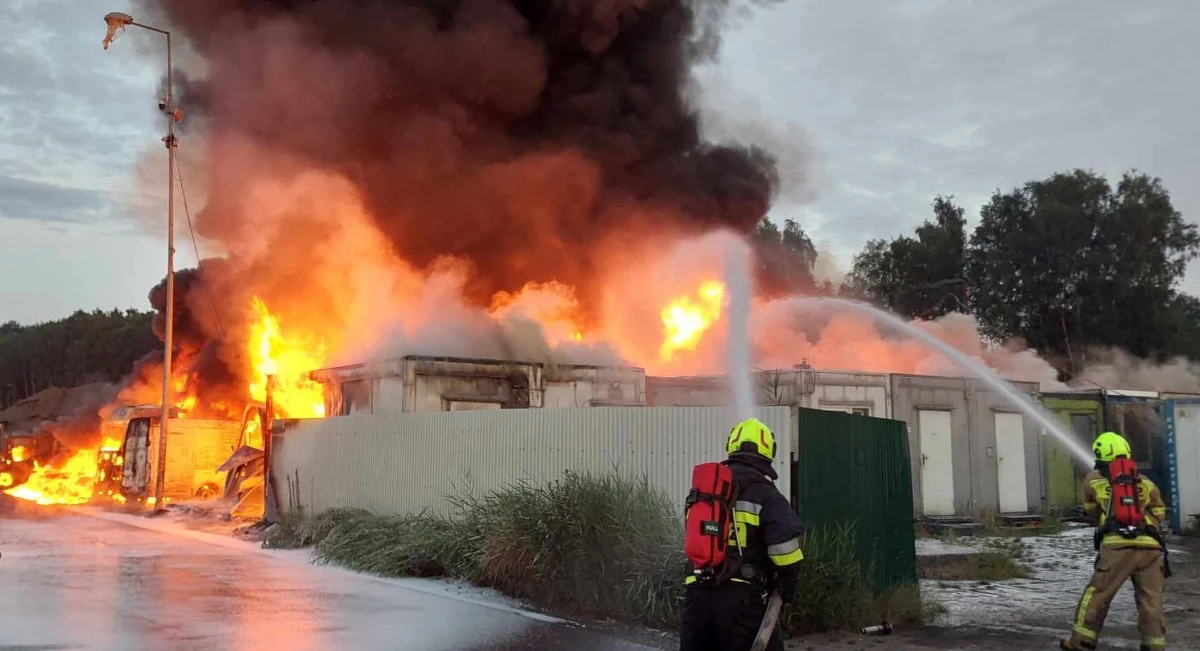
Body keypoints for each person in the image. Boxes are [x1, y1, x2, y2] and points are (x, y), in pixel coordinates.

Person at [679, 418, 806, 651]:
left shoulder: (706, 492)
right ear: (769, 452)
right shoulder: (767, 495)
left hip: (696, 598)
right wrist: (787, 586)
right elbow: (786, 554)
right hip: (741, 603)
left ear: (732, 446)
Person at [1062, 431, 1169, 651]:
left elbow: (1090, 510)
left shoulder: (1093, 479)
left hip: (1117, 545)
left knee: (1098, 594)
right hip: (1151, 547)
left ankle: (1081, 641)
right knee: (1151, 601)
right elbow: (1159, 512)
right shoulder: (1144, 481)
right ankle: (1154, 645)